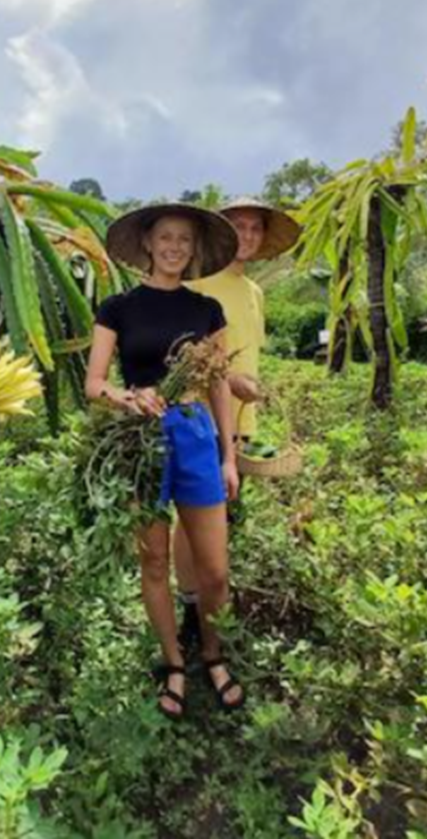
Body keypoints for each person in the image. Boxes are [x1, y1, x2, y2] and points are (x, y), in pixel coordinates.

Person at [85, 203, 246, 718]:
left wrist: (228, 455)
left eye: (184, 240)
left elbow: (218, 382)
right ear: (148, 246)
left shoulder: (206, 312)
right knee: (153, 559)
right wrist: (125, 397)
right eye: (165, 238)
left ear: (193, 250)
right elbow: (93, 383)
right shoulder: (118, 308)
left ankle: (213, 654)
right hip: (140, 442)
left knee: (215, 572)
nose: (174, 246)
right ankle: (175, 662)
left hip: (196, 435)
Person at [174, 197, 302, 652]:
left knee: (219, 515)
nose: (247, 235)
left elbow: (247, 353)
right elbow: (185, 357)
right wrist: (231, 380)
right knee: (191, 520)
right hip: (199, 420)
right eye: (238, 226)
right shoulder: (199, 285)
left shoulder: (253, 293)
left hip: (239, 425)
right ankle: (190, 608)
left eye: (255, 228)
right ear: (222, 233)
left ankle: (209, 602)